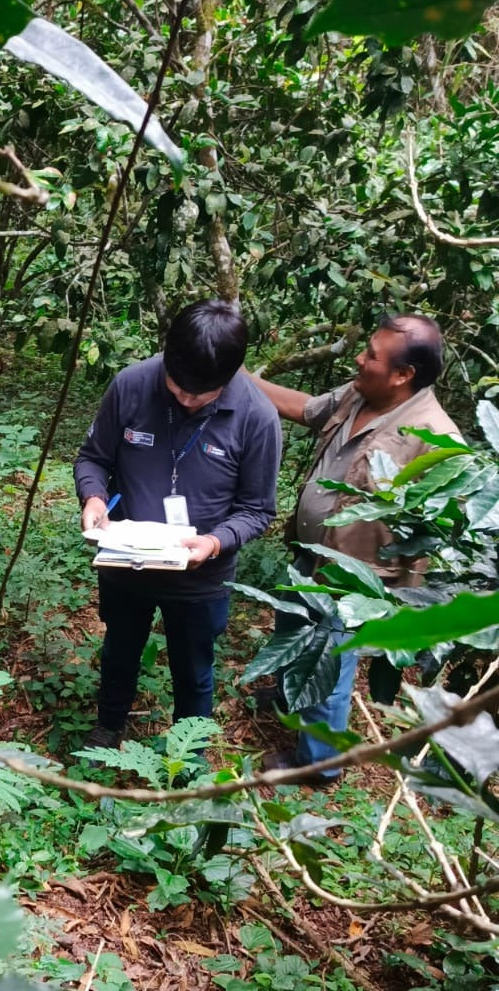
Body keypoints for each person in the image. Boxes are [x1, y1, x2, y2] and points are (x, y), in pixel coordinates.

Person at [250, 313, 461, 779]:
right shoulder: (357, 394)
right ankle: (291, 696)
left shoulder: (435, 439)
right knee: (294, 631)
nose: (359, 360)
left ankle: (319, 765)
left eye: (371, 356)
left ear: (404, 375)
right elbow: (305, 408)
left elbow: (441, 530)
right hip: (311, 556)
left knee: (329, 664)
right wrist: (240, 376)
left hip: (354, 580)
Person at [74, 298, 282, 750]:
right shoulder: (131, 385)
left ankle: (188, 755)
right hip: (125, 562)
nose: (185, 399)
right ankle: (108, 728)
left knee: (194, 668)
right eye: (177, 388)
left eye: (199, 394)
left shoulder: (257, 418)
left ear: (229, 377)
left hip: (200, 575)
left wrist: (214, 541)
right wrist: (92, 496)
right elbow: (93, 458)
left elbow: (258, 509)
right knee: (119, 651)